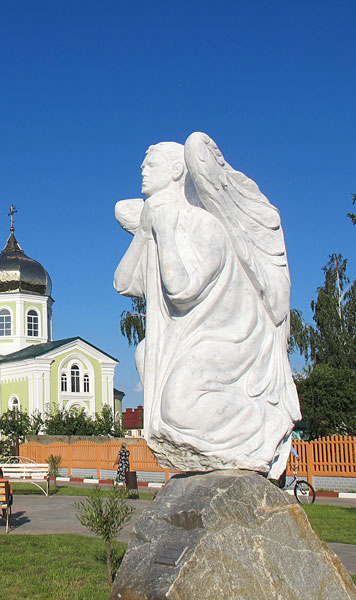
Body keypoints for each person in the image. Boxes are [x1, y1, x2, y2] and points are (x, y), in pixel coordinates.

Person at [113, 133, 300, 479]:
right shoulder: (158, 220)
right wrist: (145, 231)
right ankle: (196, 442)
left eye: (150, 163)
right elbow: (124, 283)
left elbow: (181, 291)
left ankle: (266, 421)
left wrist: (164, 229)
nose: (142, 168)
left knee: (177, 404)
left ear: (175, 171)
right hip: (190, 336)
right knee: (143, 354)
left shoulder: (206, 226)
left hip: (232, 338)